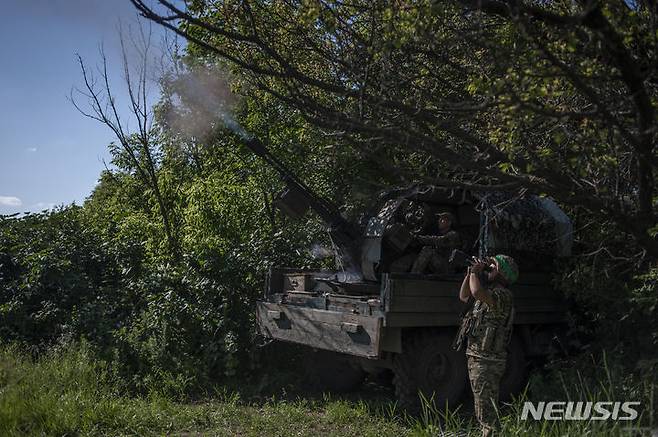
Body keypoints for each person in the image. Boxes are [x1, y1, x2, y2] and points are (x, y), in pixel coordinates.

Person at [458, 254, 518, 437]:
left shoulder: (503, 295)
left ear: (503, 274)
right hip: (479, 358)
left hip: (488, 361)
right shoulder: (490, 292)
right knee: (482, 408)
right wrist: (471, 273)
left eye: (492, 267)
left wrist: (477, 272)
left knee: (487, 414)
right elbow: (464, 295)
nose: (488, 269)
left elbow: (476, 293)